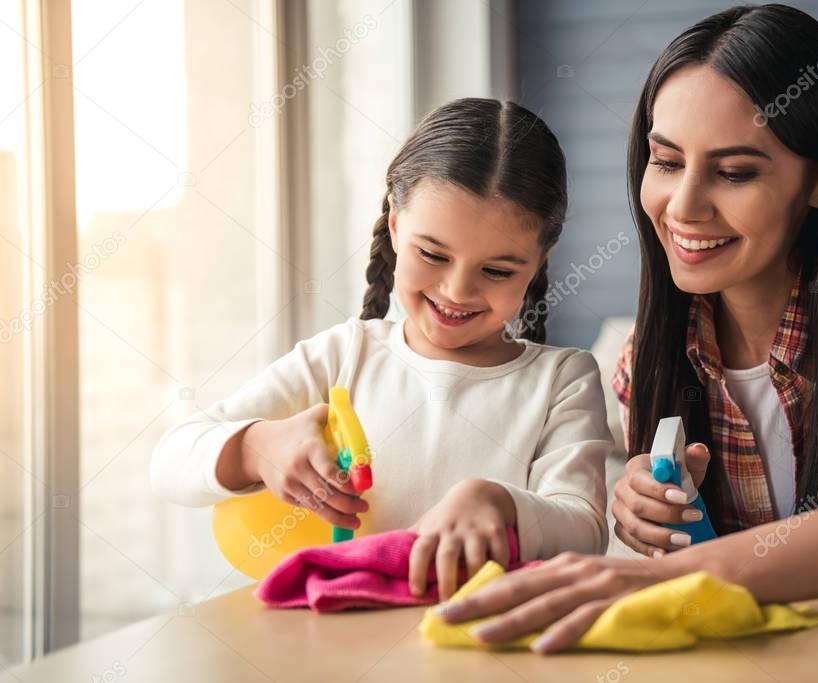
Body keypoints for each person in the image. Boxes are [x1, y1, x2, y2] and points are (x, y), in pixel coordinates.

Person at [434, 4, 818, 654]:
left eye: (734, 171)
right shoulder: (648, 359)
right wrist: (644, 515)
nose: (683, 205)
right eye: (664, 161)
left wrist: (683, 574)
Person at [150, 98, 612, 600]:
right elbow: (170, 461)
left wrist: (497, 501)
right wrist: (256, 446)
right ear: (395, 227)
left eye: (498, 270)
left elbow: (585, 530)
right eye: (432, 254)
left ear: (540, 258)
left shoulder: (563, 379)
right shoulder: (342, 356)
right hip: (333, 648)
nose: (457, 291)